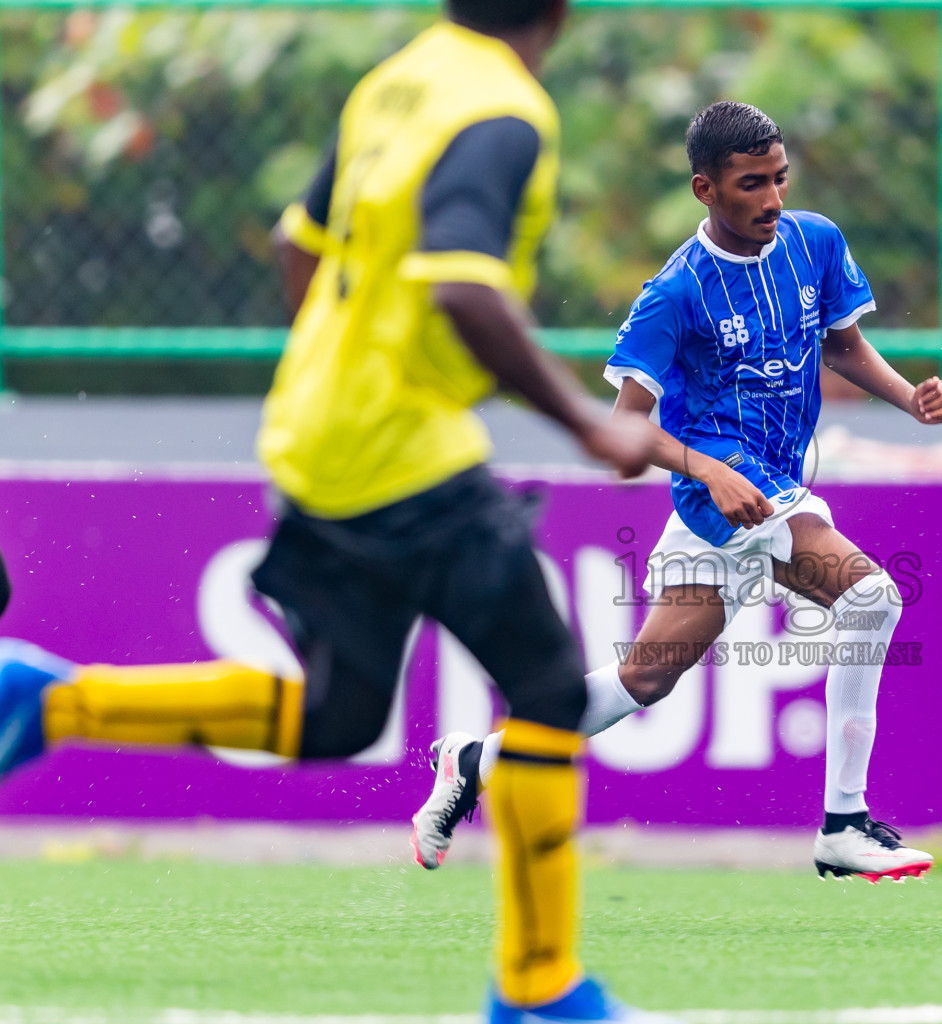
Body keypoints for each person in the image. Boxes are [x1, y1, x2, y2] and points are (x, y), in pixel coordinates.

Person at [0, 2, 672, 1022]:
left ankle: (49, 699)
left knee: (340, 714)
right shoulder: (502, 110)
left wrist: (343, 365)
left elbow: (298, 246)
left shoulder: (399, 77)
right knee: (544, 686)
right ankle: (539, 988)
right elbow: (463, 288)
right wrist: (591, 425)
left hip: (321, 438)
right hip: (404, 454)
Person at [410, 101, 942, 884]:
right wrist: (705, 466)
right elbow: (628, 427)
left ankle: (477, 757)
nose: (771, 199)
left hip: (765, 494)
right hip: (728, 496)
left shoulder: (814, 240)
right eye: (750, 185)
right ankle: (843, 823)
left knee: (644, 680)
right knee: (873, 598)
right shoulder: (674, 294)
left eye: (778, 179)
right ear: (706, 189)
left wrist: (912, 400)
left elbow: (843, 347)